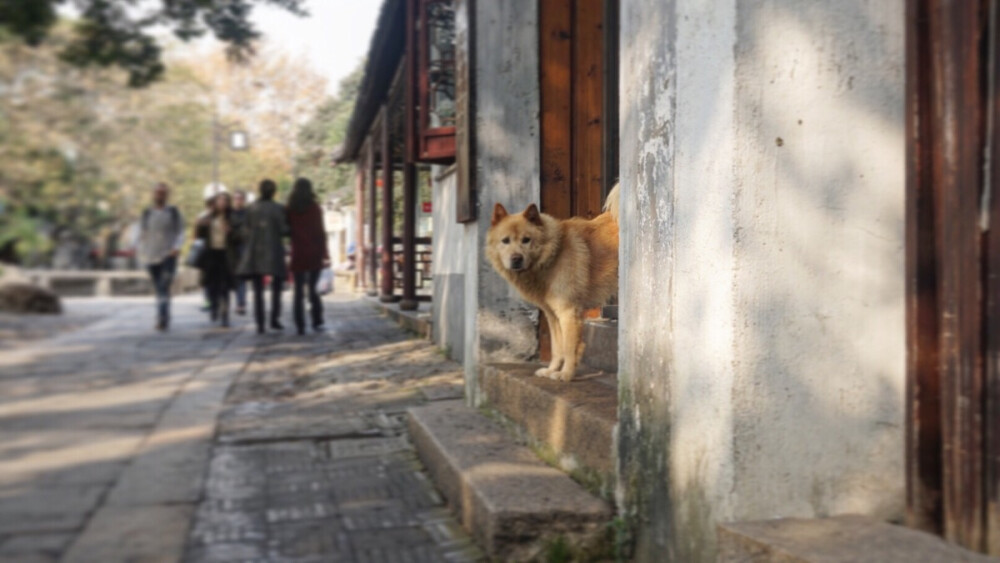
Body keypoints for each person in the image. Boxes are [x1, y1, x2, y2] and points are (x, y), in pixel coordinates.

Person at [238, 179, 288, 334]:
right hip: (274, 252)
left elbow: (244, 231)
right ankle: (274, 319)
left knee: (258, 290)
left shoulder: (251, 209)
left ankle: (260, 323)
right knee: (277, 288)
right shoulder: (278, 208)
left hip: (255, 252)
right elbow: (285, 230)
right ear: (273, 192)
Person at [137, 182, 185, 331]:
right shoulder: (147, 213)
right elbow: (141, 234)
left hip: (168, 256)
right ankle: (164, 314)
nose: (160, 195)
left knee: (164, 286)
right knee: (159, 289)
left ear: (167, 195)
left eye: (163, 193)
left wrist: (176, 248)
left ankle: (162, 318)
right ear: (153, 194)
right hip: (152, 256)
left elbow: (181, 232)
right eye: (158, 192)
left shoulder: (173, 212)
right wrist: (141, 250)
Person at [287, 177, 330, 335]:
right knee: (313, 289)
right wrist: (325, 254)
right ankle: (317, 320)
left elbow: (286, 230)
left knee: (298, 291)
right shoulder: (315, 208)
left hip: (298, 253)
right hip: (314, 253)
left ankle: (300, 325)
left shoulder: (290, 209)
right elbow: (320, 233)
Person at [195, 192, 241, 327]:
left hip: (226, 254)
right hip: (211, 254)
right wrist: (201, 225)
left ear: (228, 203)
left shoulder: (232, 217)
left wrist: (231, 231)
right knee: (212, 284)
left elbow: (241, 236)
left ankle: (225, 314)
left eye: (224, 201)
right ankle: (214, 307)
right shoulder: (208, 216)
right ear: (215, 203)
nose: (222, 203)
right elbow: (199, 236)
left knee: (225, 286)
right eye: (219, 201)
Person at [231, 189, 249, 316]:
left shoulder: (248, 214)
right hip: (231, 249)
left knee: (241, 277)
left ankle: (241, 303)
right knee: (235, 278)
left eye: (240, 198)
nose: (238, 201)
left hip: (243, 248)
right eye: (236, 198)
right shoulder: (229, 213)